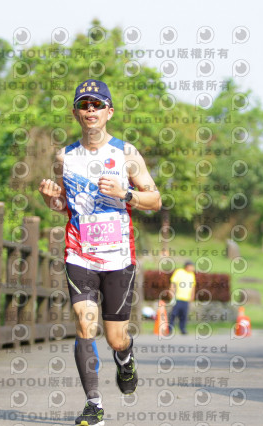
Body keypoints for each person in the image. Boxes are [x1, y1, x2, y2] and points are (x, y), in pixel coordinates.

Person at [39, 79, 162, 426]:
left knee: (115, 337)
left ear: (109, 112)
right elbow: (65, 205)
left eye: (97, 104)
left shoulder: (126, 154)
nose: (90, 110)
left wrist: (126, 194)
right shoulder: (64, 157)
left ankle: (125, 358)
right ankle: (93, 404)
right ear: (76, 113)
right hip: (79, 254)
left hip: (118, 258)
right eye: (84, 105)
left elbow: (155, 199)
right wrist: (50, 199)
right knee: (84, 323)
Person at [168, 260, 196, 335]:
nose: (193, 268)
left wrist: (192, 296)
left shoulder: (191, 275)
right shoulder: (179, 272)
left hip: (186, 298)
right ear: (187, 266)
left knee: (184, 315)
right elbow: (173, 283)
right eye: (191, 266)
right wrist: (171, 292)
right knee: (173, 314)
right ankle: (169, 329)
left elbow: (193, 286)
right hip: (178, 298)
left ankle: (183, 329)